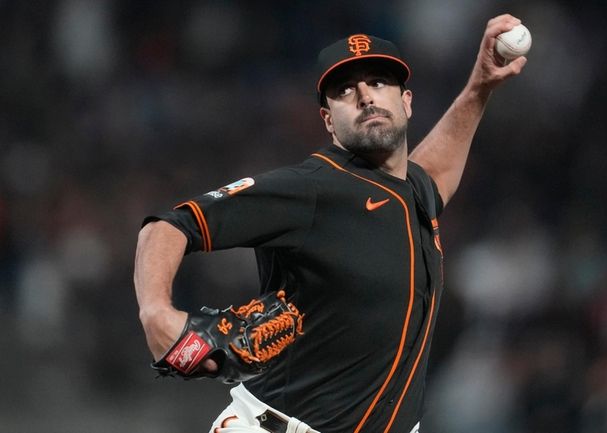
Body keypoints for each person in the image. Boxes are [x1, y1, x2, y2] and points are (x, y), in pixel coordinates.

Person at [134, 14, 527, 433]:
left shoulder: (413, 191)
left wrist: (480, 86)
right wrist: (156, 311)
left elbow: (437, 172)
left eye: (378, 82)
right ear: (327, 120)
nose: (364, 96)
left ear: (407, 101)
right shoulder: (310, 188)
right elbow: (169, 226)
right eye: (345, 90)